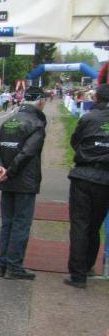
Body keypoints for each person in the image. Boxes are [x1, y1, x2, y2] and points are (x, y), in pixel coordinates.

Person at [0, 85, 48, 280]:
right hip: (23, 180)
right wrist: (9, 171)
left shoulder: (9, 121)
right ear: (40, 102)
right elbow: (27, 153)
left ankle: (2, 264)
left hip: (6, 179)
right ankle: (13, 265)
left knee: (7, 223)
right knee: (21, 224)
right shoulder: (37, 124)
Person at [64, 84, 109, 288]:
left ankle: (78, 274)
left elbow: (75, 141)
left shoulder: (88, 118)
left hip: (83, 175)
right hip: (104, 178)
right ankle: (88, 266)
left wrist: (88, 154)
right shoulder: (89, 117)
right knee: (94, 225)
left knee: (80, 225)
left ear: (96, 98)